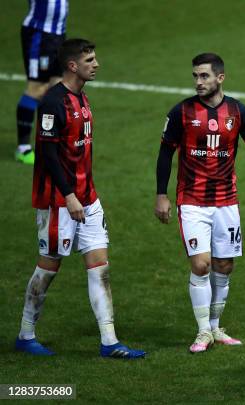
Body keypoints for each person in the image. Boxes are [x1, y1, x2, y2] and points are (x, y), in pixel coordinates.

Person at [15, 38, 145, 359]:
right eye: (90, 60)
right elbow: (47, 153)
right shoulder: (53, 102)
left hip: (88, 198)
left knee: (99, 266)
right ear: (73, 66)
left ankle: (109, 341)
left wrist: (83, 196)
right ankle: (26, 334)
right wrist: (70, 195)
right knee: (48, 267)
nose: (96, 64)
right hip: (60, 202)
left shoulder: (82, 98)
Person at [155, 53, 245, 353]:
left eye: (204, 76)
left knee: (224, 265)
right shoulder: (181, 112)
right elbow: (166, 152)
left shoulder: (238, 112)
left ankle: (216, 326)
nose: (198, 82)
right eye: (195, 76)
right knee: (201, 264)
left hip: (226, 201)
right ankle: (203, 331)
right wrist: (161, 194)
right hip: (191, 201)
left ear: (220, 78)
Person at [15, 0, 69, 164]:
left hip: (58, 34)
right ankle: (23, 148)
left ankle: (50, 143)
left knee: (57, 89)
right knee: (37, 89)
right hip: (39, 34)